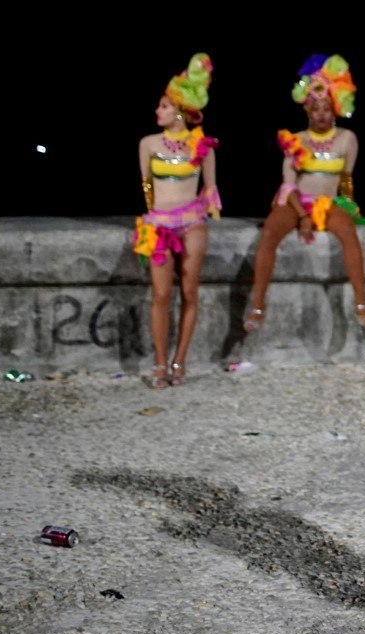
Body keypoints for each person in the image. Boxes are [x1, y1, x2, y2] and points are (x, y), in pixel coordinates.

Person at [243, 54, 365, 333]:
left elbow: (346, 179)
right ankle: (258, 304)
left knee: (348, 232)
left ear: (336, 108)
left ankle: (361, 302)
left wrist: (349, 206)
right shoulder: (297, 140)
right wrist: (302, 215)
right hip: (296, 202)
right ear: (307, 111)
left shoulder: (347, 139)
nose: (322, 114)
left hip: (327, 203)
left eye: (327, 108)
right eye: (316, 109)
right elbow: (288, 184)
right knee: (269, 233)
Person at [133, 53, 221, 388]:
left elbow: (210, 189)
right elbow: (146, 186)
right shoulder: (148, 144)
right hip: (159, 224)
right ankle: (159, 363)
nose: (159, 111)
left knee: (189, 290)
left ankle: (179, 361)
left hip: (192, 222)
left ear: (181, 111)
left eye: (165, 106)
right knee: (160, 294)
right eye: (160, 106)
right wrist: (154, 219)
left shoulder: (203, 146)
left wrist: (205, 211)